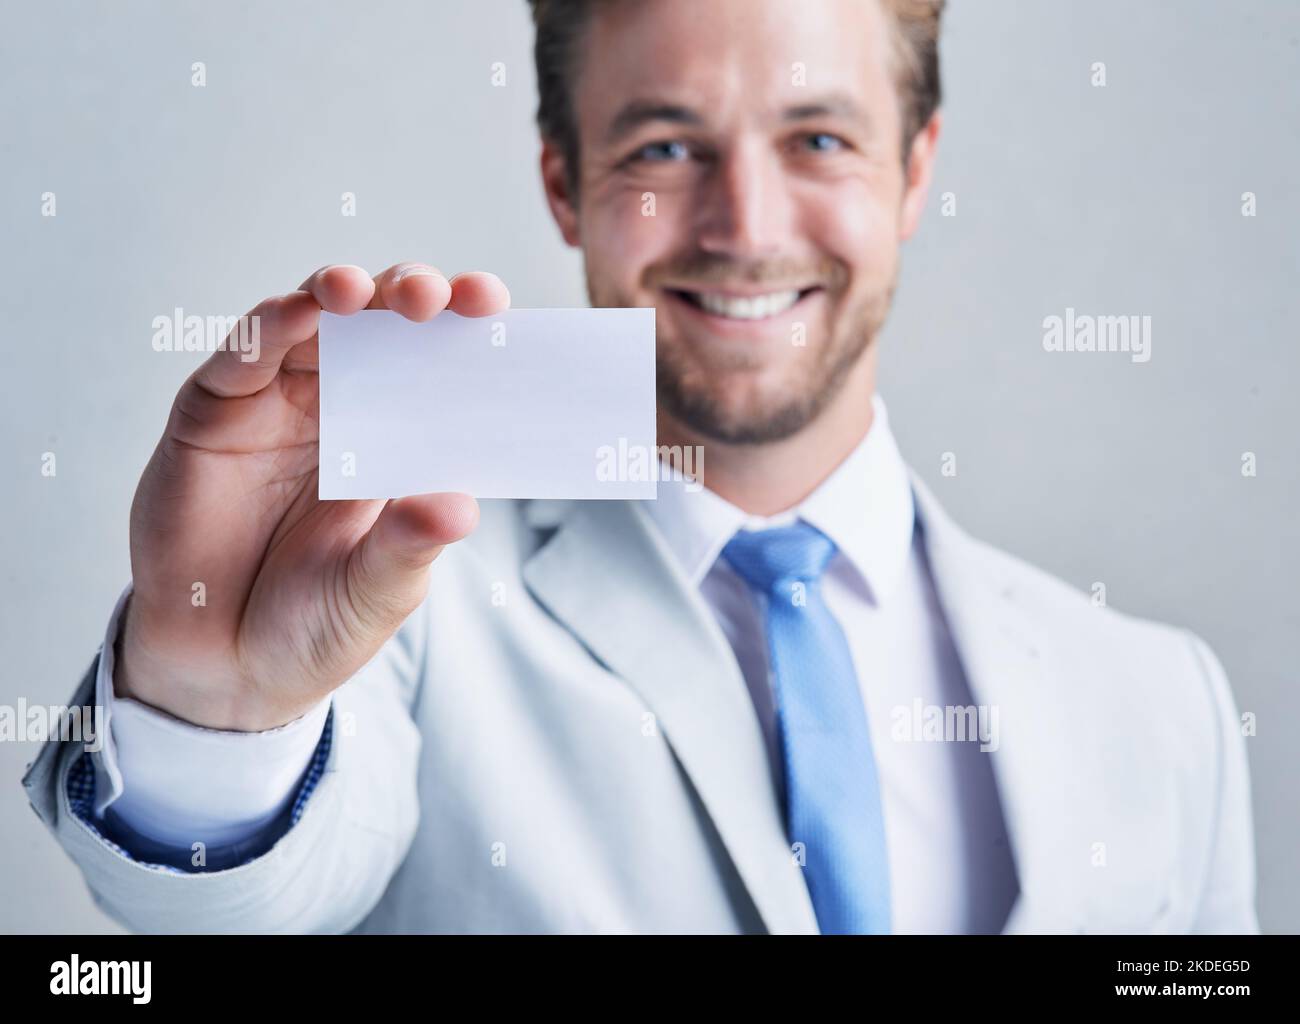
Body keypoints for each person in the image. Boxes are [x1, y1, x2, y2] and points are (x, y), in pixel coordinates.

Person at [22, 0, 1256, 934]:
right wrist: (219, 706)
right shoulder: (396, 617)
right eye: (665, 149)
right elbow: (225, 910)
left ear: (915, 169)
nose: (747, 227)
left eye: (818, 137)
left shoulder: (1159, 702)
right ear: (564, 182)